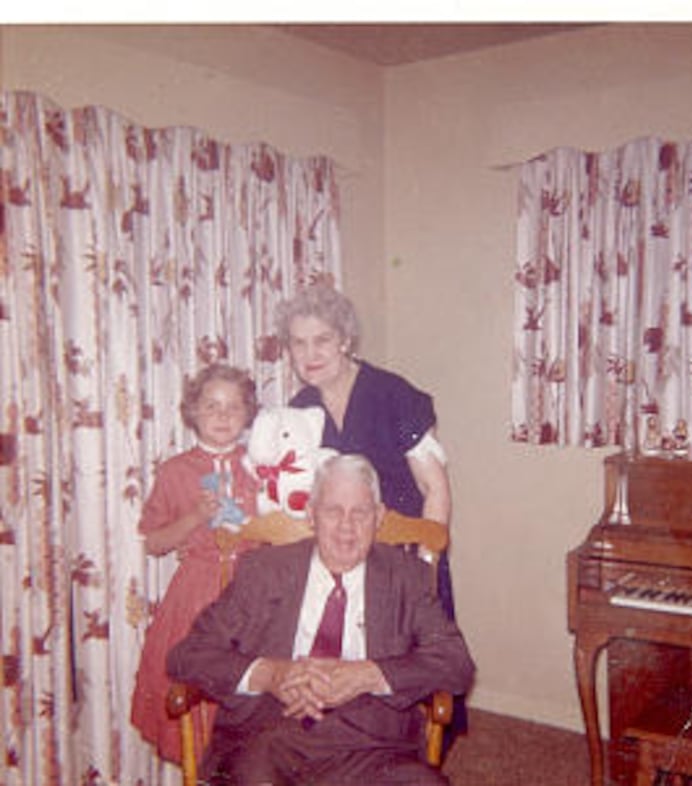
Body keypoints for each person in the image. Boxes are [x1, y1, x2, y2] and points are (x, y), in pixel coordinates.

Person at [167, 454, 475, 786]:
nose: (347, 526)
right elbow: (188, 655)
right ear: (311, 514)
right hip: (270, 737)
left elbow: (456, 664)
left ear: (379, 517)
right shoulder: (264, 570)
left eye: (360, 512)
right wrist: (269, 674)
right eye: (333, 511)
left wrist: (370, 675)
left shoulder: (405, 577)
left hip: (371, 746)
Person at [276, 283, 453, 602]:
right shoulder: (297, 412)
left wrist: (425, 567)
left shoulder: (394, 395)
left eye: (322, 340)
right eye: (299, 344)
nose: (310, 354)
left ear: (345, 340)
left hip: (404, 557)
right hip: (336, 565)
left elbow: (434, 488)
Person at [131, 362, 261, 764]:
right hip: (196, 594)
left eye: (233, 407)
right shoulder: (175, 471)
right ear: (193, 412)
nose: (222, 416)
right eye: (211, 406)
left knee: (252, 698)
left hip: (253, 591)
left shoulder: (261, 463)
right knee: (196, 693)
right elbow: (153, 542)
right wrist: (193, 519)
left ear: (248, 413)